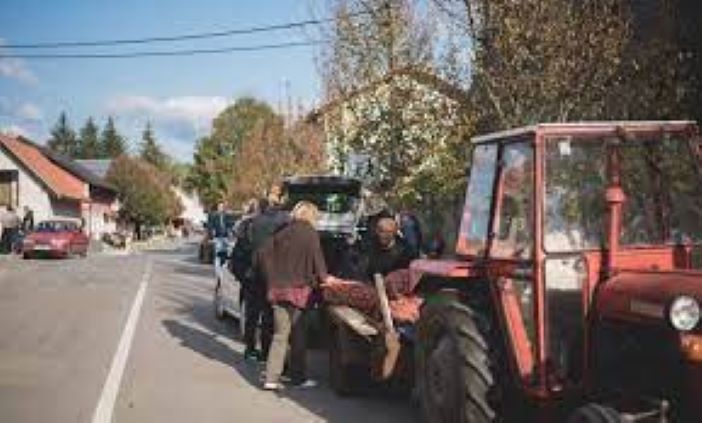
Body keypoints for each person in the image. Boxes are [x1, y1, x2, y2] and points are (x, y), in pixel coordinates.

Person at [258, 201, 336, 390]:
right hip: (300, 292)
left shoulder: (281, 232)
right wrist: (325, 278)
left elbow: (262, 254)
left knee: (280, 335)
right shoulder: (310, 234)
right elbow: (318, 260)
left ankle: (271, 378)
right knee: (299, 335)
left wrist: (271, 278)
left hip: (277, 290)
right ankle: (298, 377)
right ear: (311, 216)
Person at [242, 190, 290, 362]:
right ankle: (265, 351)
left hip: (254, 273)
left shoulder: (253, 222)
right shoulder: (284, 221)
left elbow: (245, 246)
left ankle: (249, 349)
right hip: (273, 274)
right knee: (269, 314)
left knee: (252, 314)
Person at [207, 201, 231, 278]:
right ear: (217, 207)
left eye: (222, 206)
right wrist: (211, 237)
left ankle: (222, 268)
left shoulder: (225, 215)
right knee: (217, 255)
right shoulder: (212, 215)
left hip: (225, 237)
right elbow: (210, 226)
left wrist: (230, 232)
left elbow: (228, 225)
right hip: (217, 237)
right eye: (219, 206)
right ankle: (218, 273)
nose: (221, 208)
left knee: (224, 255)